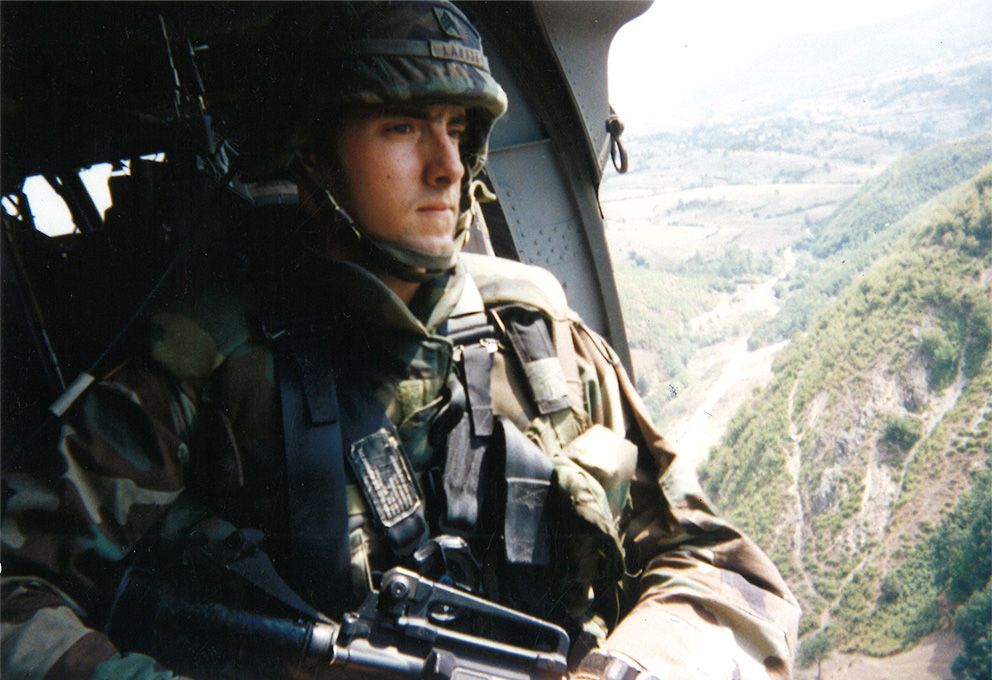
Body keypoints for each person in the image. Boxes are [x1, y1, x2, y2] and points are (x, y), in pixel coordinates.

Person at [0, 2, 801, 679]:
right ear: (315, 154)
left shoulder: (535, 335)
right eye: (401, 127)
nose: (447, 165)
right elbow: (14, 591)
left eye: (457, 128)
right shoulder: (206, 368)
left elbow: (725, 570)